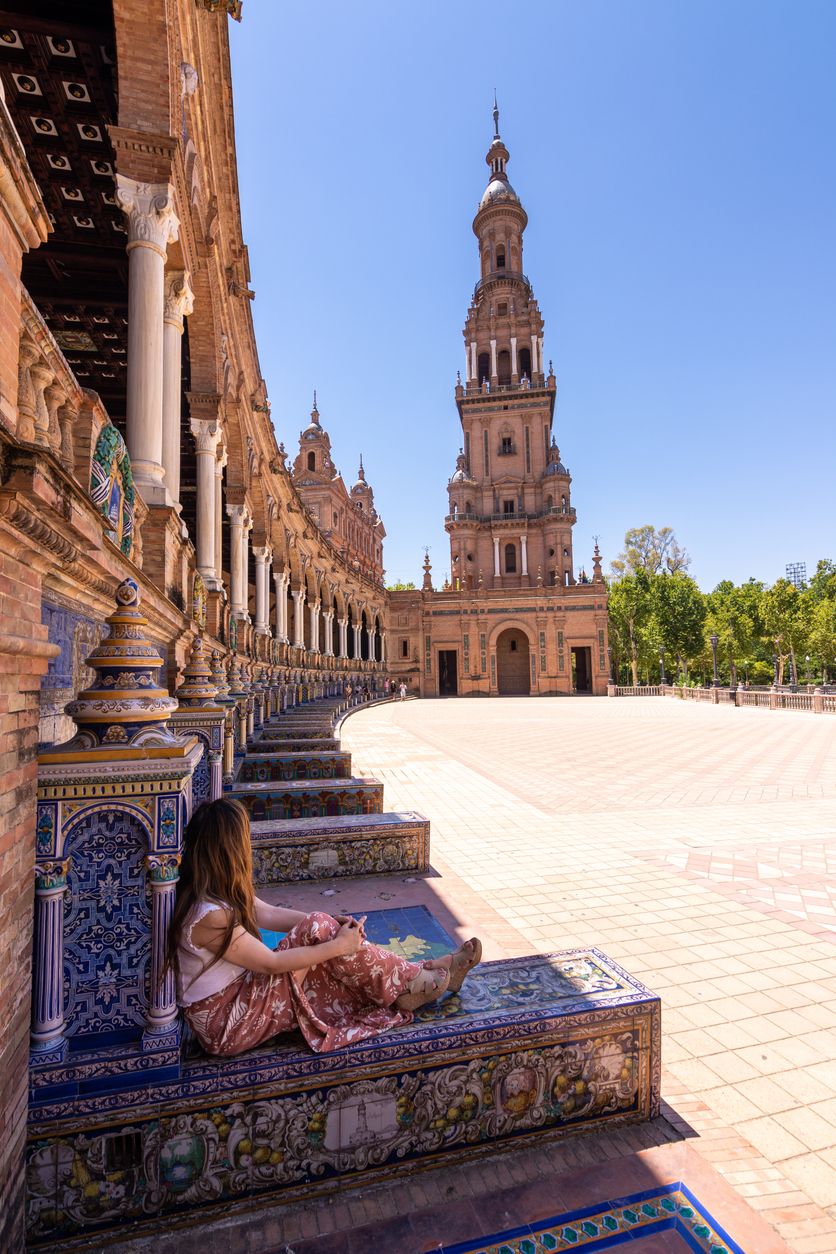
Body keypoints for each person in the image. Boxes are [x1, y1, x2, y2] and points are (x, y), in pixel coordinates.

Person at [166, 799, 481, 1057]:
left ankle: (410, 979)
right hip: (228, 1026)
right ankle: (414, 981)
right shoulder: (207, 914)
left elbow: (268, 913)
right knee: (319, 939)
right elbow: (269, 962)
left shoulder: (213, 893)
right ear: (230, 851)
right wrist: (337, 943)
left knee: (318, 932)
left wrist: (330, 922)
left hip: (240, 1001)